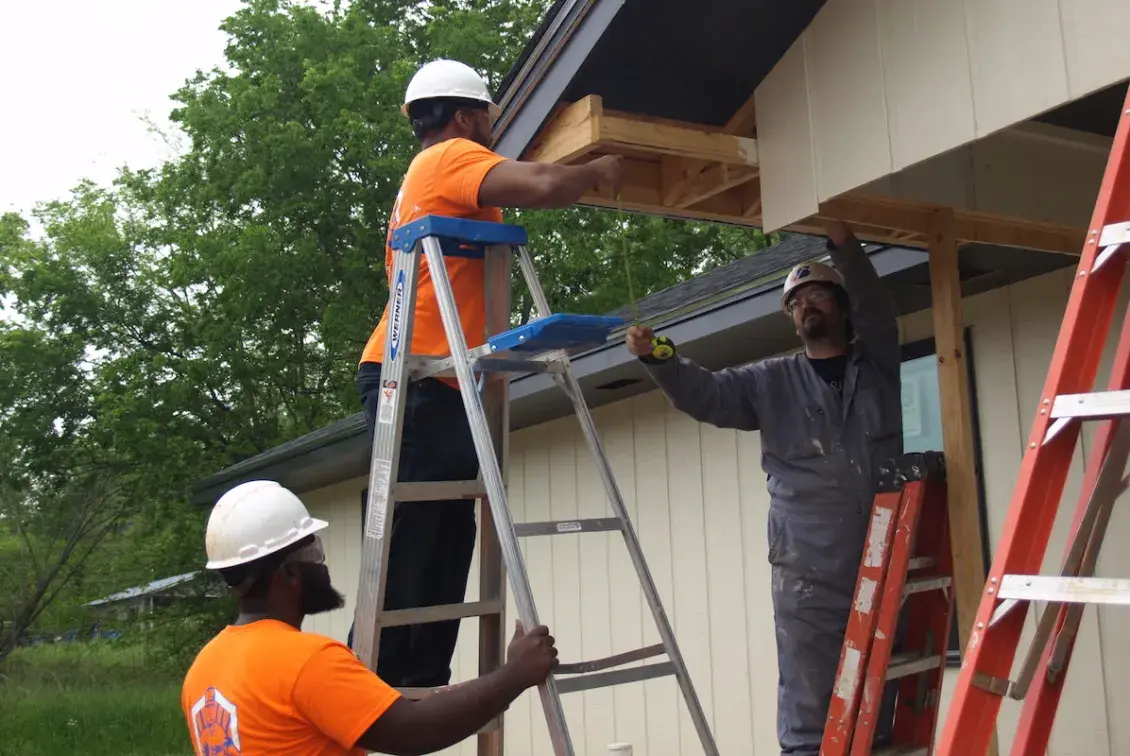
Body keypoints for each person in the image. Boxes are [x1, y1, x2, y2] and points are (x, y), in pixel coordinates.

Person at [351, 58, 622, 688]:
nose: (492, 134)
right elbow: (548, 184)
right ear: (467, 116)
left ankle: (419, 685)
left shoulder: (432, 170)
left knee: (445, 538)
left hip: (441, 379)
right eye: (489, 121)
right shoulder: (447, 158)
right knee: (412, 543)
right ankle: (373, 691)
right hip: (417, 377)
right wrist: (597, 170)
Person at [625, 220, 902, 756]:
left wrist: (843, 244)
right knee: (809, 704)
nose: (807, 306)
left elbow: (877, 305)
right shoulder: (768, 382)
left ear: (842, 308)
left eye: (818, 294)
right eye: (797, 302)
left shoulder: (879, 365)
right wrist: (657, 355)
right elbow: (704, 394)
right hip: (808, 570)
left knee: (882, 690)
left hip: (883, 555)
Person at [182, 479, 559, 756]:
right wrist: (515, 675)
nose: (324, 563)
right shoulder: (305, 660)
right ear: (290, 574)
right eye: (314, 551)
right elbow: (410, 732)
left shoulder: (203, 669)